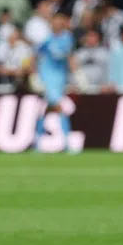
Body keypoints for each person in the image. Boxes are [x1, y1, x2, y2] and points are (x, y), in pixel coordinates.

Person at [34, 11, 75, 152]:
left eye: (61, 21)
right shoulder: (46, 38)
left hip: (60, 77)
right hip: (47, 76)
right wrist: (35, 75)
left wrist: (78, 74)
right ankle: (67, 142)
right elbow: (35, 56)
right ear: (52, 22)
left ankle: (37, 142)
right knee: (58, 107)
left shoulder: (67, 38)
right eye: (56, 20)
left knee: (46, 109)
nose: (58, 23)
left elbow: (69, 57)